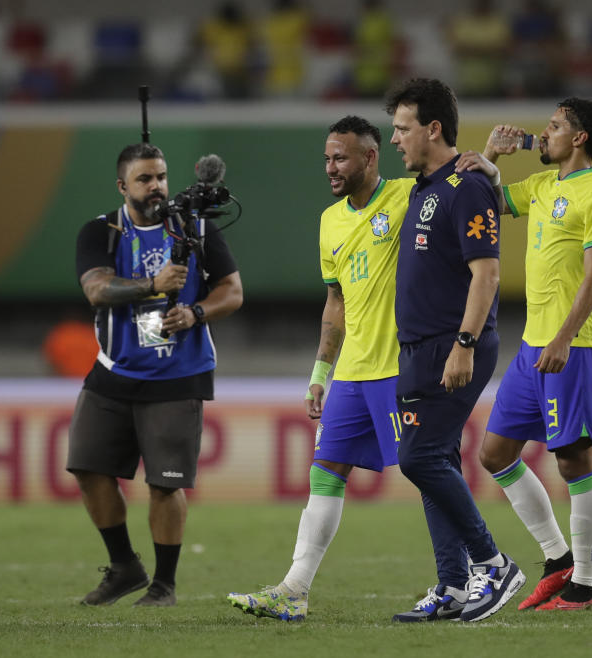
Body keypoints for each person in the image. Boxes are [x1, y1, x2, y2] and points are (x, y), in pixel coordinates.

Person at [227, 116, 414, 621]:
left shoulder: (406, 196)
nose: (330, 168)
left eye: (341, 158)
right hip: (352, 371)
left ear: (371, 157)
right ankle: (294, 589)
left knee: (430, 470)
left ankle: (481, 566)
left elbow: (455, 182)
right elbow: (336, 302)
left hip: (400, 366)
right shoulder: (330, 220)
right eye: (326, 158)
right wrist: (320, 373)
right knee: (326, 472)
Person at [455, 97, 592, 610]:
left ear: (579, 138)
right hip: (532, 348)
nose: (542, 133)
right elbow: (490, 202)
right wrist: (494, 156)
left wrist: (564, 337)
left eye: (552, 127)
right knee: (494, 454)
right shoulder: (544, 187)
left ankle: (584, 585)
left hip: (574, 347)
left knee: (573, 460)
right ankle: (557, 560)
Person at [69, 142, 243, 606]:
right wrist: (152, 285)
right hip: (114, 369)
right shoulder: (100, 231)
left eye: (161, 176)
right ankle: (124, 566)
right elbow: (96, 289)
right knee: (88, 468)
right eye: (145, 179)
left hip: (178, 374)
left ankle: (164, 584)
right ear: (123, 186)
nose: (156, 186)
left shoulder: (195, 228)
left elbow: (232, 291)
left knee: (165, 484)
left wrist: (196, 314)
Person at [385, 77, 524, 623]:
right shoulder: (429, 185)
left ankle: (493, 564)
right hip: (419, 347)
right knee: (432, 462)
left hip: (452, 345)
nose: (395, 139)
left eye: (402, 129)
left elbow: (486, 274)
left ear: (432, 128)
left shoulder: (466, 188)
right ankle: (453, 584)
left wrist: (464, 344)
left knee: (417, 457)